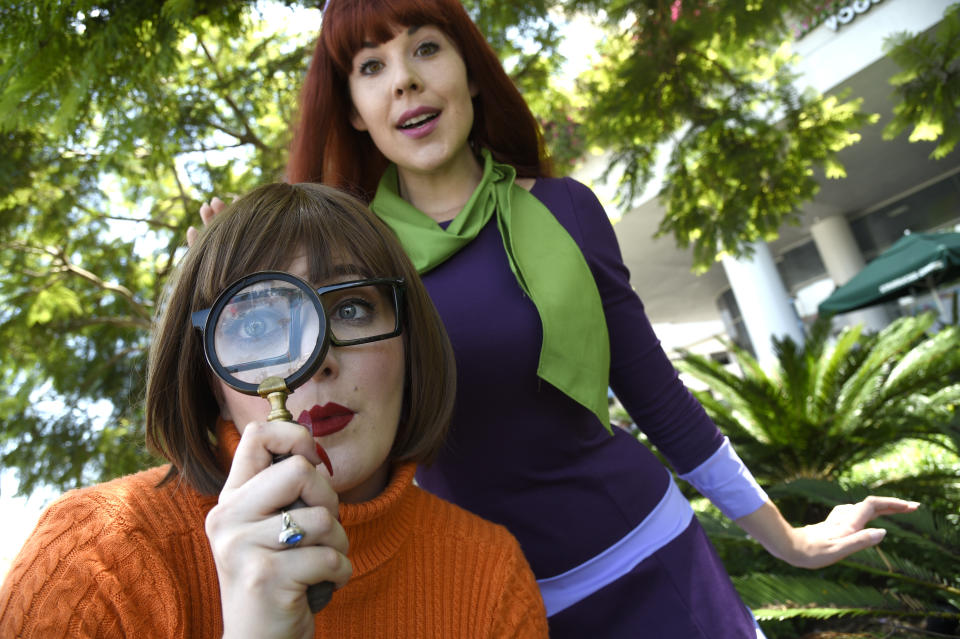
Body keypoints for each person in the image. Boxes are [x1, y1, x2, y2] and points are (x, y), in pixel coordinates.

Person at [194, 1, 921, 636]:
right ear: (354, 107)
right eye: (372, 65)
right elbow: (288, 419)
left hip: (650, 557)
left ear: (470, 71)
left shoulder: (565, 210)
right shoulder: (348, 267)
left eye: (424, 48)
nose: (406, 79)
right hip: (487, 599)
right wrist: (234, 294)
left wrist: (787, 540)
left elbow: (659, 396)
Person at [0, 182, 549, 639]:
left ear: (411, 343)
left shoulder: (489, 573)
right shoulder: (98, 557)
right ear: (211, 379)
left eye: (352, 307)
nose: (314, 364)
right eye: (258, 325)